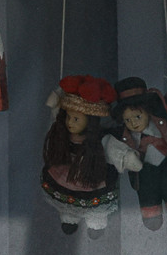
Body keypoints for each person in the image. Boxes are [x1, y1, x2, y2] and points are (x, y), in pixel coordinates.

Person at [105, 75, 167, 230]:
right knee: (147, 191)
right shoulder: (125, 136)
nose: (133, 123)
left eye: (138, 116)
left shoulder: (162, 120)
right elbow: (112, 148)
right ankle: (151, 214)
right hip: (144, 171)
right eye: (128, 120)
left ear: (147, 112)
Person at [40, 75, 118, 236]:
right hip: (66, 173)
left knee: (95, 204)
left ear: (90, 121)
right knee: (67, 200)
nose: (70, 122)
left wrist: (126, 156)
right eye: (69, 117)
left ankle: (96, 219)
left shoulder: (100, 141)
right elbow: (55, 112)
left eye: (76, 119)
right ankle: (69, 217)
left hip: (91, 176)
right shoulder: (63, 135)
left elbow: (114, 149)